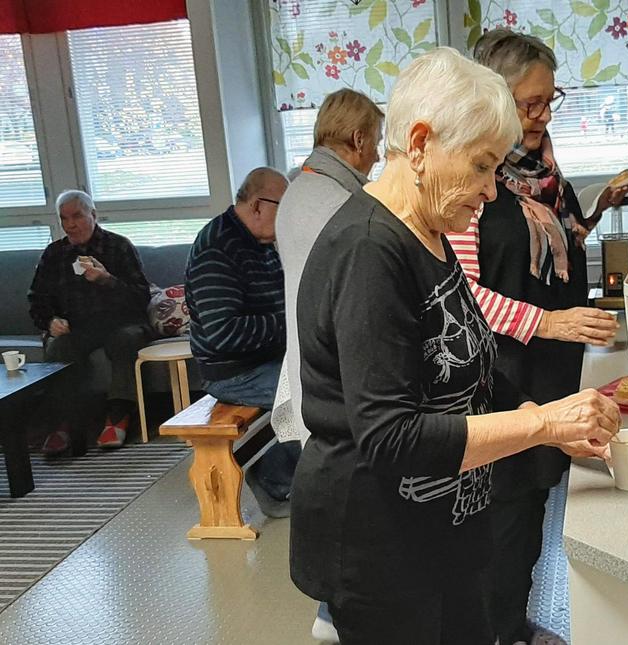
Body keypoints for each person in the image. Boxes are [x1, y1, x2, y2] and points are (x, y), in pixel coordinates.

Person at [288, 47, 620, 645]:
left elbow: (467, 371)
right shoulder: (369, 251)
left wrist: (536, 418)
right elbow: (392, 438)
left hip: (444, 530)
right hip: (381, 549)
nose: (491, 191)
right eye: (482, 166)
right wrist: (543, 423)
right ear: (420, 144)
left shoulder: (430, 234)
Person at [446, 30, 628, 645]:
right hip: (500, 380)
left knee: (529, 514)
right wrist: (549, 322)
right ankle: (495, 632)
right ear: (494, 100)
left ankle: (511, 625)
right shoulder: (473, 184)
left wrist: (598, 208)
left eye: (550, 101)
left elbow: (561, 243)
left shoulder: (543, 173)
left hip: (550, 371)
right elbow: (461, 295)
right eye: (530, 103)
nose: (543, 115)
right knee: (505, 520)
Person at [271, 88, 383, 644]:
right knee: (347, 494)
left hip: (310, 358)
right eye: (376, 142)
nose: (378, 155)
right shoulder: (332, 201)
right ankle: (334, 613)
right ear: (357, 139)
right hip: (328, 366)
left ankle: (331, 610)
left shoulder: (302, 187)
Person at [185, 167, 298, 518]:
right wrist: (289, 323)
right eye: (285, 207)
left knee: (327, 376)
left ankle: (281, 473)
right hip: (234, 372)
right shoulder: (217, 249)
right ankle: (273, 479)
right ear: (258, 205)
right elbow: (223, 333)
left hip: (264, 360)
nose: (289, 217)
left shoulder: (259, 242)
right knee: (311, 394)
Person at [28, 190, 152, 454]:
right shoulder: (54, 254)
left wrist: (107, 280)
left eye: (77, 216)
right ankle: (64, 423)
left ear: (93, 215)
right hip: (78, 327)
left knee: (126, 340)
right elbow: (37, 299)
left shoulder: (119, 246)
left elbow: (141, 297)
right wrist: (50, 321)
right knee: (59, 347)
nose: (70, 225)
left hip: (122, 323)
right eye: (64, 219)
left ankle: (118, 416)